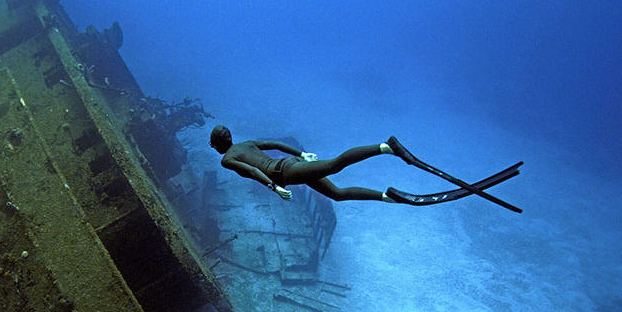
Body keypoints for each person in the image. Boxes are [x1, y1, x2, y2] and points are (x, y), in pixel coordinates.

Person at [208, 124, 524, 211]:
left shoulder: (226, 159)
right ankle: (388, 196)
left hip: (285, 173)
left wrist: (273, 186)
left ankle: (386, 147)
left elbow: (252, 171)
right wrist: (301, 153)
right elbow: (273, 142)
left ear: (218, 145)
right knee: (338, 194)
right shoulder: (245, 143)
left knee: (335, 165)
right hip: (291, 165)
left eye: (213, 144)